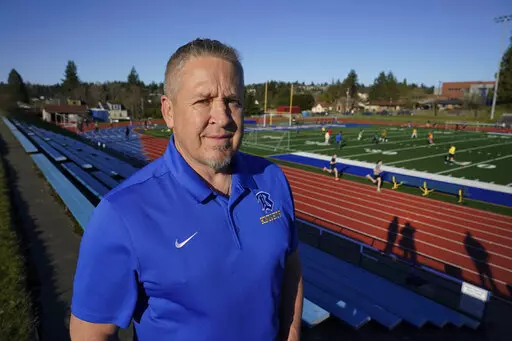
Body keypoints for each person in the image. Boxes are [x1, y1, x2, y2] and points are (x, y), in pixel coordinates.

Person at [69, 38, 303, 341]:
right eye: (203, 101)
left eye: (233, 100)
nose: (222, 118)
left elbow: (291, 267)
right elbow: (91, 332)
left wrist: (292, 332)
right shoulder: (122, 213)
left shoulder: (272, 179)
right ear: (169, 111)